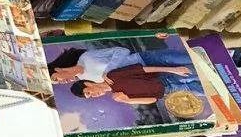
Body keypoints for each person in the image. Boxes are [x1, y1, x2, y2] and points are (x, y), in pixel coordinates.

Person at [48, 45, 194, 105]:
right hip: (153, 77)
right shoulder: (84, 80)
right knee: (193, 75)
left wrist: (109, 70)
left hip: (145, 60)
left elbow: (122, 51)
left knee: (193, 58)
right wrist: (128, 100)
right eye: (57, 83)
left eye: (56, 79)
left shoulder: (86, 58)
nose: (61, 82)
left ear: (57, 69)